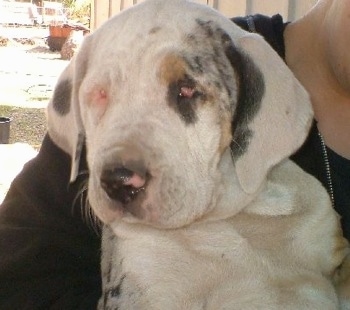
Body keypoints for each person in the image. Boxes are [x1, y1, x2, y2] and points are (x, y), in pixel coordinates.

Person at [0, 0, 349, 308]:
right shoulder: (215, 49)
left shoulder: (306, 209)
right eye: (102, 97)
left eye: (186, 92)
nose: (123, 173)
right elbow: (17, 276)